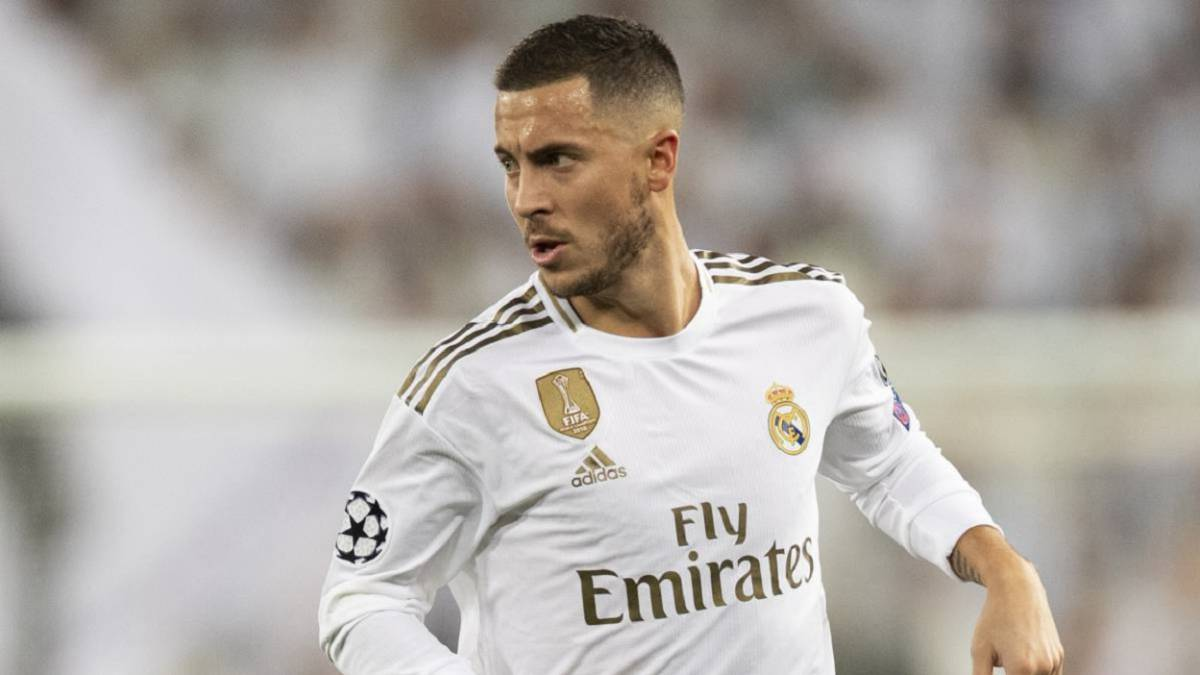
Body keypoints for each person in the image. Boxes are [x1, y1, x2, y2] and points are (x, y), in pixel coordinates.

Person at [318, 14, 1064, 675]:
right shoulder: (470, 385)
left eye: (558, 159)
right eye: (511, 164)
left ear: (659, 160)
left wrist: (1004, 568)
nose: (526, 199)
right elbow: (364, 596)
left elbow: (888, 460)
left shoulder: (805, 317)